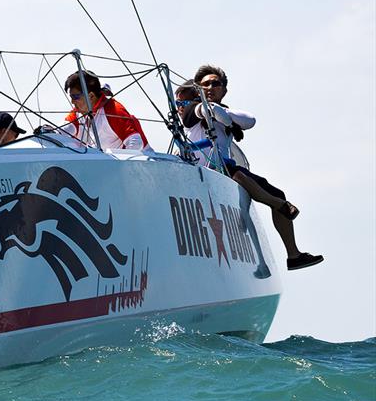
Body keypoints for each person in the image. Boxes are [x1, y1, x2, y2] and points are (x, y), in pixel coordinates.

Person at [177, 67, 323, 271]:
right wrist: (228, 120)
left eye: (215, 84)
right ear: (198, 89)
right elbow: (209, 111)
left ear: (224, 90)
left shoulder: (224, 108)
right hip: (204, 166)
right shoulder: (193, 109)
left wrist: (228, 119)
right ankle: (279, 205)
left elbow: (249, 120)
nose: (210, 87)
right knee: (236, 174)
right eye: (205, 84)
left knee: (275, 190)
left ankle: (294, 255)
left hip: (224, 164)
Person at [62, 70, 150, 152]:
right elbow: (64, 129)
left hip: (144, 165)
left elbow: (136, 143)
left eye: (75, 97)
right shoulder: (79, 112)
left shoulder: (114, 110)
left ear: (91, 96)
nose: (72, 102)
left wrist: (119, 167)